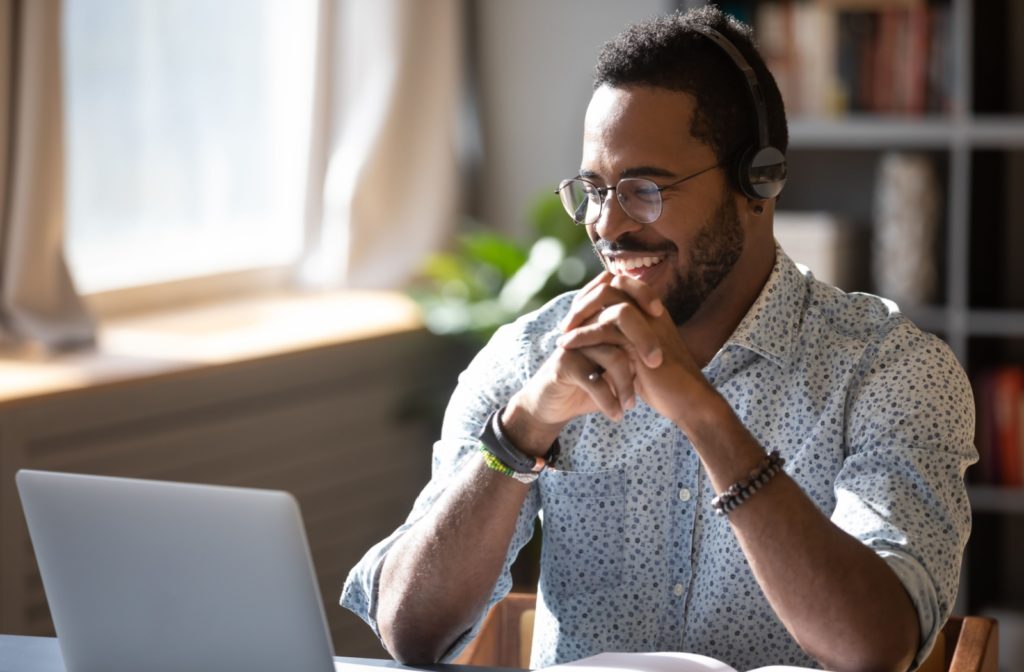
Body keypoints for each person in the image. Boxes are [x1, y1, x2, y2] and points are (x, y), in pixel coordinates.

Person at [341, 7, 976, 672]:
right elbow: (409, 633)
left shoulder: (893, 372)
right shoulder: (533, 357)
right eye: (593, 189)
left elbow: (875, 648)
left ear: (758, 182)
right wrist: (523, 430)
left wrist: (704, 415)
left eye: (644, 189)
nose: (607, 226)